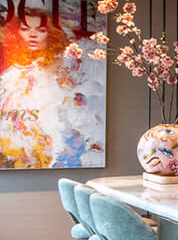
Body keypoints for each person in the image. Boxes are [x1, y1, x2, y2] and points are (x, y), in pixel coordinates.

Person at [0, 12, 105, 168]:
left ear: (50, 33)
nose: (33, 35)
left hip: (60, 148)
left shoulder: (66, 67)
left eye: (41, 30)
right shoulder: (12, 76)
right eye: (25, 29)